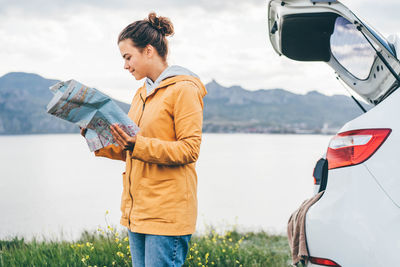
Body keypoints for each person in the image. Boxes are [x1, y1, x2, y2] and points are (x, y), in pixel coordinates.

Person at [82, 12, 207, 267]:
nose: (125, 65)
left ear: (148, 50)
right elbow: (131, 148)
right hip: (137, 212)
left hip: (167, 214)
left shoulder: (184, 89)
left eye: (128, 57)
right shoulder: (141, 94)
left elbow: (189, 149)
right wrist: (97, 136)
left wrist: (136, 144)